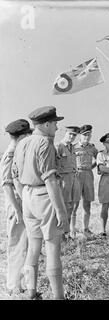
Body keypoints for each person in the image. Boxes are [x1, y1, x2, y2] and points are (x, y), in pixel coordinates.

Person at [12, 106, 68, 300]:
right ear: (45, 124)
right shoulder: (45, 143)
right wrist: (61, 211)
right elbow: (50, 180)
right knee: (52, 248)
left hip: (27, 196)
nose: (56, 127)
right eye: (54, 123)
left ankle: (31, 292)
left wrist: (26, 198)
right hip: (45, 196)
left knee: (34, 248)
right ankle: (59, 297)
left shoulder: (22, 143)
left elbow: (16, 176)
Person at [0, 119, 33, 296]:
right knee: (17, 245)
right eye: (27, 135)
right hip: (16, 205)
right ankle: (13, 285)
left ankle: (20, 283)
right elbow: (6, 186)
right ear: (22, 136)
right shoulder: (11, 154)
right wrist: (18, 211)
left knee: (24, 245)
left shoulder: (17, 152)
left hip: (22, 203)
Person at [73, 125, 98, 237]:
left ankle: (85, 229)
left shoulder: (92, 148)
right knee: (74, 204)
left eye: (89, 134)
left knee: (87, 203)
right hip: (76, 174)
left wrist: (90, 167)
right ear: (80, 135)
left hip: (88, 174)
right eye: (85, 135)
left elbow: (99, 159)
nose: (87, 137)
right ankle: (71, 230)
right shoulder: (73, 147)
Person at [55, 126, 81, 239]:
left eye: (74, 135)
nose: (72, 136)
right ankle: (59, 235)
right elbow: (54, 165)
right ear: (65, 133)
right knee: (63, 207)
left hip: (73, 178)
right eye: (70, 134)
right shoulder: (58, 146)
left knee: (71, 206)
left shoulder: (72, 147)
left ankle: (66, 233)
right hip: (63, 179)